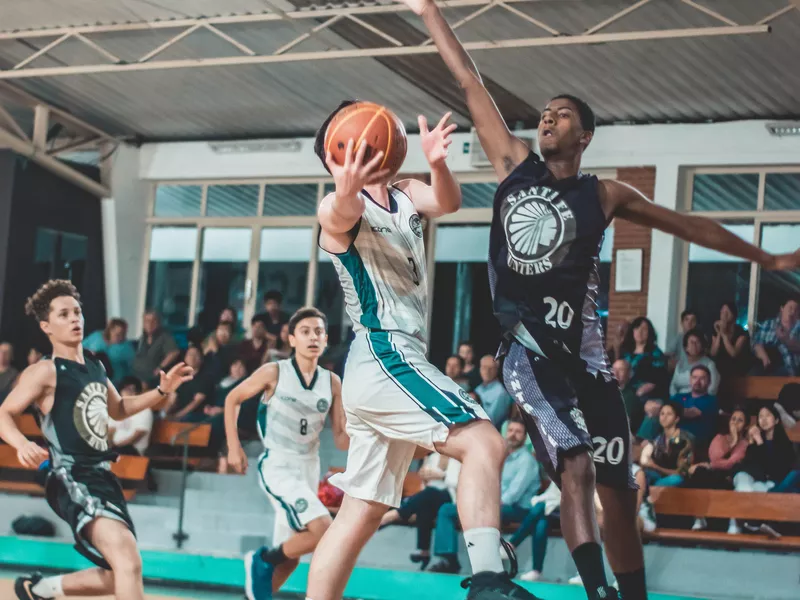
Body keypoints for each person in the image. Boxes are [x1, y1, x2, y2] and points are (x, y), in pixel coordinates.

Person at [400, 2, 800, 597]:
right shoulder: (515, 165)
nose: (549, 119)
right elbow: (468, 80)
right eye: (545, 113)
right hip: (528, 353)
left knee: (618, 489)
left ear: (584, 135)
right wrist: (429, 11)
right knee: (576, 468)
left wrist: (763, 258)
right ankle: (597, 591)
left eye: (562, 115)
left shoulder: (604, 194)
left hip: (586, 361)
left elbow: (685, 224)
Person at [307, 101, 537, 600]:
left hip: (389, 364)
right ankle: (489, 581)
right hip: (384, 354)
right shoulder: (337, 208)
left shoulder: (405, 192)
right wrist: (345, 187)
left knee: (360, 511)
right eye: (363, 140)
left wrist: (436, 162)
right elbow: (337, 211)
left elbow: (448, 203)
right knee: (484, 441)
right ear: (340, 154)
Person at [0, 280, 192, 600]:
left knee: (121, 572)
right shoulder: (45, 371)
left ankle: (42, 589)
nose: (75, 318)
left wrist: (161, 392)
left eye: (77, 312)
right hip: (71, 474)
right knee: (128, 563)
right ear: (46, 326)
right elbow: (4, 413)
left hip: (102, 476)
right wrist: (21, 444)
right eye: (64, 314)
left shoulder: (94, 365)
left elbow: (118, 409)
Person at [223, 307, 347, 600]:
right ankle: (261, 559)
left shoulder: (332, 382)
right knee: (321, 528)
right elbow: (232, 398)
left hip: (309, 467)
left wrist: (375, 438)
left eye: (318, 332)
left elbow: (341, 439)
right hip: (278, 464)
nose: (312, 337)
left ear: (326, 339)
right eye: (305, 331)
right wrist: (233, 446)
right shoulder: (274, 371)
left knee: (290, 559)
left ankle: (257, 585)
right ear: (291, 339)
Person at [429, 419, 540, 574]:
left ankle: (488, 569)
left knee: (480, 512)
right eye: (510, 430)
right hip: (496, 504)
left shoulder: (526, 461)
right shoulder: (499, 455)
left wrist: (487, 502)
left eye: (518, 432)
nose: (513, 435)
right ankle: (449, 559)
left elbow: (514, 494)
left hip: (517, 509)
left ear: (525, 437)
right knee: (447, 509)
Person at [686, 408, 748, 531]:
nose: (735, 423)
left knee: (715, 475)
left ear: (745, 425)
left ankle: (722, 522)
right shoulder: (719, 438)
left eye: (740, 420)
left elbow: (730, 463)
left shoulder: (744, 444)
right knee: (699, 473)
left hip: (728, 476)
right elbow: (715, 458)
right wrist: (730, 445)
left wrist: (735, 441)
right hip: (714, 473)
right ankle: (699, 518)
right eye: (733, 419)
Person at [639, 402, 694, 488]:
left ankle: (651, 494)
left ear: (676, 419)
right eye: (662, 414)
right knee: (640, 473)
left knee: (677, 479)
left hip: (677, 478)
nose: (664, 417)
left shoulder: (685, 440)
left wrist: (655, 467)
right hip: (660, 476)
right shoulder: (658, 439)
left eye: (669, 414)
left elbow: (682, 473)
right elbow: (650, 464)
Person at [668, 365, 718, 449]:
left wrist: (669, 413)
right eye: (694, 377)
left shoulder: (712, 400)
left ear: (709, 382)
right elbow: (664, 409)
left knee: (673, 440)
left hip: (694, 440)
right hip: (674, 436)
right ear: (690, 380)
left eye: (702, 378)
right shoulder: (678, 397)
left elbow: (692, 413)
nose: (697, 381)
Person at [621, 317, 669, 401]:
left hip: (646, 394)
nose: (640, 331)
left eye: (644, 329)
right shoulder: (625, 352)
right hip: (625, 391)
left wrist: (648, 387)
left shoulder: (655, 353)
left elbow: (660, 378)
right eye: (637, 328)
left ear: (649, 333)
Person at [752, 298, 800, 376]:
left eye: (796, 310)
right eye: (790, 308)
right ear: (782, 309)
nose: (793, 312)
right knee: (752, 374)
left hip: (789, 369)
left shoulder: (798, 327)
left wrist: (785, 339)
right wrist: (760, 350)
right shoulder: (769, 324)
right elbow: (755, 342)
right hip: (766, 365)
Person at [132, 311, 180, 388]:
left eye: (153, 320)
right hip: (136, 377)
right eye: (147, 321)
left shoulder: (164, 336)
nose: (150, 323)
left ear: (158, 322)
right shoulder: (143, 337)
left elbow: (174, 352)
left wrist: (160, 367)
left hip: (152, 379)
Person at [107, 377, 153, 457]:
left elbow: (137, 436)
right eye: (126, 389)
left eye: (133, 389)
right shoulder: (117, 409)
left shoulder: (145, 410)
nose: (129, 392)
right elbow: (111, 430)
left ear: (138, 392)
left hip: (134, 450)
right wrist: (110, 444)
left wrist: (116, 446)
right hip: (116, 448)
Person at [669, 330, 719, 397]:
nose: (694, 345)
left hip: (701, 401)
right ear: (686, 347)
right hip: (679, 400)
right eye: (691, 342)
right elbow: (673, 385)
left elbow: (712, 389)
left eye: (697, 342)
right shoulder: (680, 364)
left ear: (702, 347)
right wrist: (675, 399)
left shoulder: (709, 364)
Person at [709, 302, 750, 379]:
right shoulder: (716, 330)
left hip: (736, 368)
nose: (724, 315)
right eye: (722, 312)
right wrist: (719, 333)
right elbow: (713, 353)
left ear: (733, 314)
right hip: (719, 367)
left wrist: (724, 335)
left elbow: (733, 353)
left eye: (727, 312)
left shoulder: (741, 332)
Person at [474, 355, 514, 430]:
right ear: (480, 369)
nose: (487, 371)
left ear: (497, 370)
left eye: (491, 368)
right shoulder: (478, 389)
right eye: (484, 367)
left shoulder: (501, 393)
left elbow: (491, 422)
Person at [612, 359, 644, 434]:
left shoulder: (631, 396)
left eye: (621, 370)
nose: (615, 373)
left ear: (629, 374)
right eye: (613, 369)